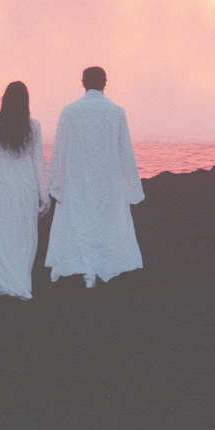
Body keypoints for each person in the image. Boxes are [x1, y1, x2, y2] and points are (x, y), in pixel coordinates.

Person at [45, 66, 145, 288]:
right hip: (107, 177)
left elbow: (60, 149)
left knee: (79, 221)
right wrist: (133, 189)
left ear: (83, 83)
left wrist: (56, 183)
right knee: (105, 221)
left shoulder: (69, 111)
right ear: (104, 83)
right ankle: (99, 266)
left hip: (77, 176)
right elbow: (125, 150)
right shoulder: (116, 111)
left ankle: (86, 269)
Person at [0, 81, 50, 300]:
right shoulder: (34, 126)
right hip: (25, 183)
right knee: (22, 233)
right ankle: (19, 280)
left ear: (4, 100)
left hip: (0, 183)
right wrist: (45, 196)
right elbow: (39, 163)